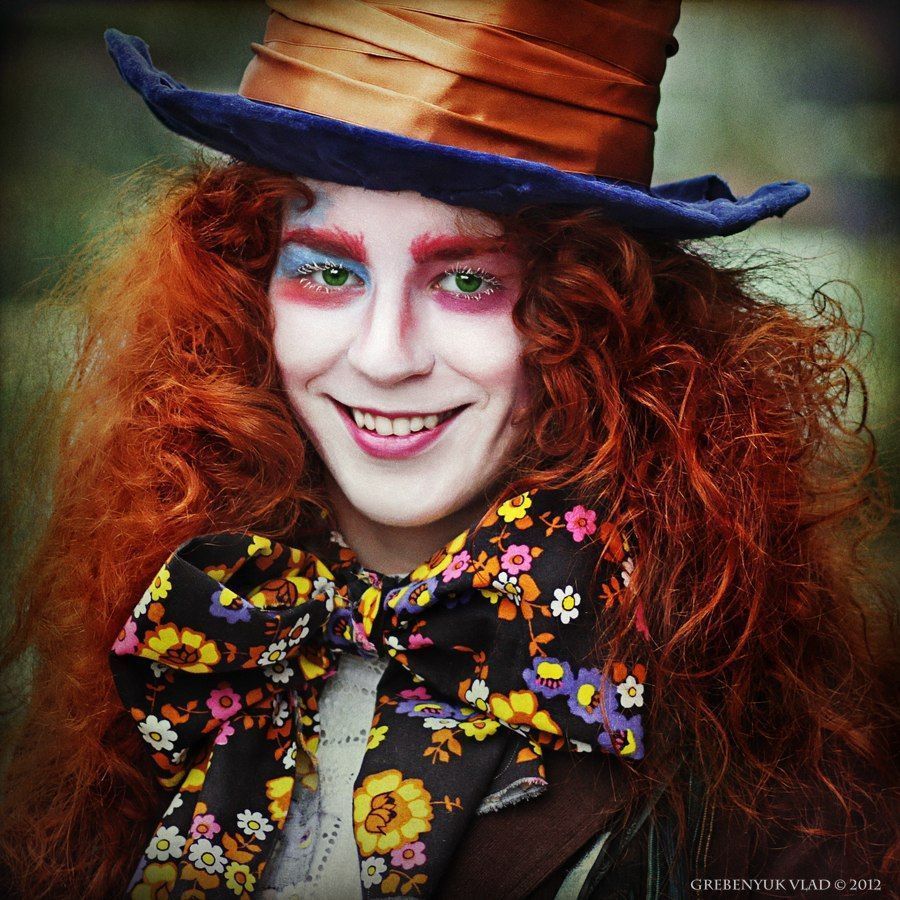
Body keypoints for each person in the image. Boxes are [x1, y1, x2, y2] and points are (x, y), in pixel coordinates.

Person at [1, 2, 896, 898]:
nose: (384, 357)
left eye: (467, 279)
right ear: (244, 290)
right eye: (327, 270)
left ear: (595, 319)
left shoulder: (780, 800)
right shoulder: (158, 656)